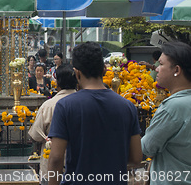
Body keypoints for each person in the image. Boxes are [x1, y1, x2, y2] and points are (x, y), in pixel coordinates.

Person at [47, 42, 142, 185]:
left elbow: (55, 158)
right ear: (104, 69)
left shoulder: (66, 106)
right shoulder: (127, 106)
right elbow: (136, 158)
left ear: (76, 73)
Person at [141, 41, 191, 185]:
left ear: (177, 70)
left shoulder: (173, 107)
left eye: (161, 64)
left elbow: (147, 147)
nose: (156, 69)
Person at [29, 64, 77, 185]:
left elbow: (35, 135)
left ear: (57, 83)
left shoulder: (49, 105)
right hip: (79, 167)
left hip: (51, 168)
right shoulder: (85, 103)